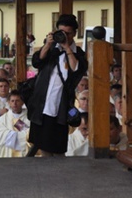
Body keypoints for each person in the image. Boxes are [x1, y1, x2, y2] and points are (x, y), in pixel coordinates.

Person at [25, 14, 88, 157]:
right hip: (42, 104)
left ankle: (59, 175)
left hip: (61, 106)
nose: (64, 36)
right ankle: (47, 174)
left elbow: (76, 69)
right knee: (42, 145)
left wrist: (67, 48)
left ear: (74, 33)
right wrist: (47, 44)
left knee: (58, 147)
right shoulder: (52, 48)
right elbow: (36, 62)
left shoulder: (78, 53)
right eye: (61, 33)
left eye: (68, 33)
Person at [0, 90, 30, 158]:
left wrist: (12, 135)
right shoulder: (3, 119)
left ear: (22, 102)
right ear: (9, 103)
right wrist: (20, 135)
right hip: (8, 156)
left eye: (17, 101)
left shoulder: (29, 117)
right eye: (12, 101)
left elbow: (31, 135)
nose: (14, 103)